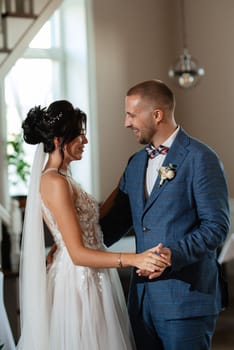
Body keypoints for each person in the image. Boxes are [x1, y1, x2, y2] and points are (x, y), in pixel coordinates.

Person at [16, 100, 171, 350]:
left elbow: (91, 216)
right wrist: (135, 259)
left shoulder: (64, 177)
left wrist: (126, 180)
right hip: (78, 280)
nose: (85, 141)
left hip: (92, 274)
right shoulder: (54, 182)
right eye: (79, 134)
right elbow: (77, 254)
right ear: (58, 141)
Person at [100, 80, 230, 350]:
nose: (126, 123)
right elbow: (113, 226)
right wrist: (70, 246)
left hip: (186, 299)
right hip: (142, 301)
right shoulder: (135, 163)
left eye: (132, 115)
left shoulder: (201, 158)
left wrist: (174, 254)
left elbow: (216, 226)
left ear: (157, 115)